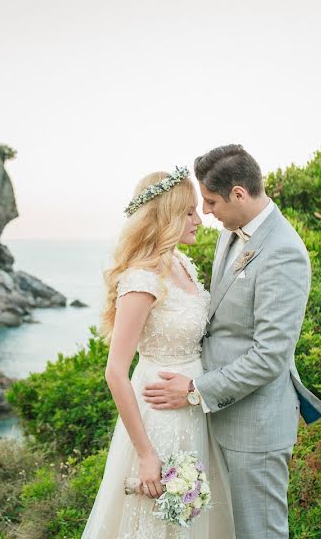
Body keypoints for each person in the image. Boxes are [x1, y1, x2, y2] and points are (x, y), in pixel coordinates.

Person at [142, 145, 321, 539]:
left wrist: (195, 389)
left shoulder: (284, 252)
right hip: (217, 419)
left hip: (256, 426)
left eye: (211, 201)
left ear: (239, 194)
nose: (206, 212)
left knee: (259, 532)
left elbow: (270, 356)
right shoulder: (232, 234)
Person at [82, 166, 236, 538]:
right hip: (159, 415)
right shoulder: (142, 278)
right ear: (165, 217)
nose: (199, 220)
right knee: (158, 519)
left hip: (193, 408)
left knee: (194, 517)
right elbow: (115, 371)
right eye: (188, 212)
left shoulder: (181, 263)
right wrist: (146, 454)